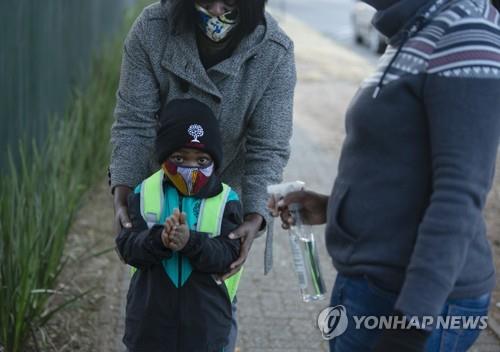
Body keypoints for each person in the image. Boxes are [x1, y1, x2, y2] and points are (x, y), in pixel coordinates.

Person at [270, 0, 500, 351]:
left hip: (414, 303)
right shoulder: (413, 31)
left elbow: (459, 193)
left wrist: (410, 326)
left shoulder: (464, 30)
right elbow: (404, 169)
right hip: (372, 288)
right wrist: (333, 208)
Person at [109, 0, 296, 349]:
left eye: (229, 1)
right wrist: (123, 192)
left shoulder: (274, 52)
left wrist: (254, 216)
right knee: (151, 306)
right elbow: (134, 123)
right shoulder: (152, 29)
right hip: (158, 202)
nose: (215, 10)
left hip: (221, 212)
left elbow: (268, 147)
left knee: (211, 313)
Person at [116, 99, 244, 352]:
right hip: (149, 331)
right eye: (179, 157)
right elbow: (127, 247)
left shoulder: (226, 200)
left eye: (201, 160)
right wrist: (158, 240)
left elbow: (229, 255)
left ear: (215, 161)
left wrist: (190, 242)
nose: (190, 168)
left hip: (206, 332)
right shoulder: (144, 193)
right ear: (164, 158)